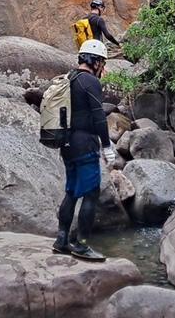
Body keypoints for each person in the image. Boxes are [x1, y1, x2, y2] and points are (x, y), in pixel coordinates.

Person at [53, 38, 118, 261]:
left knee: (71, 192)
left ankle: (62, 240)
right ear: (95, 61)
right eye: (103, 63)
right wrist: (107, 146)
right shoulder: (90, 81)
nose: (103, 68)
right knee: (91, 193)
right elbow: (98, 116)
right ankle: (81, 245)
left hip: (67, 144)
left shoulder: (69, 78)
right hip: (85, 144)